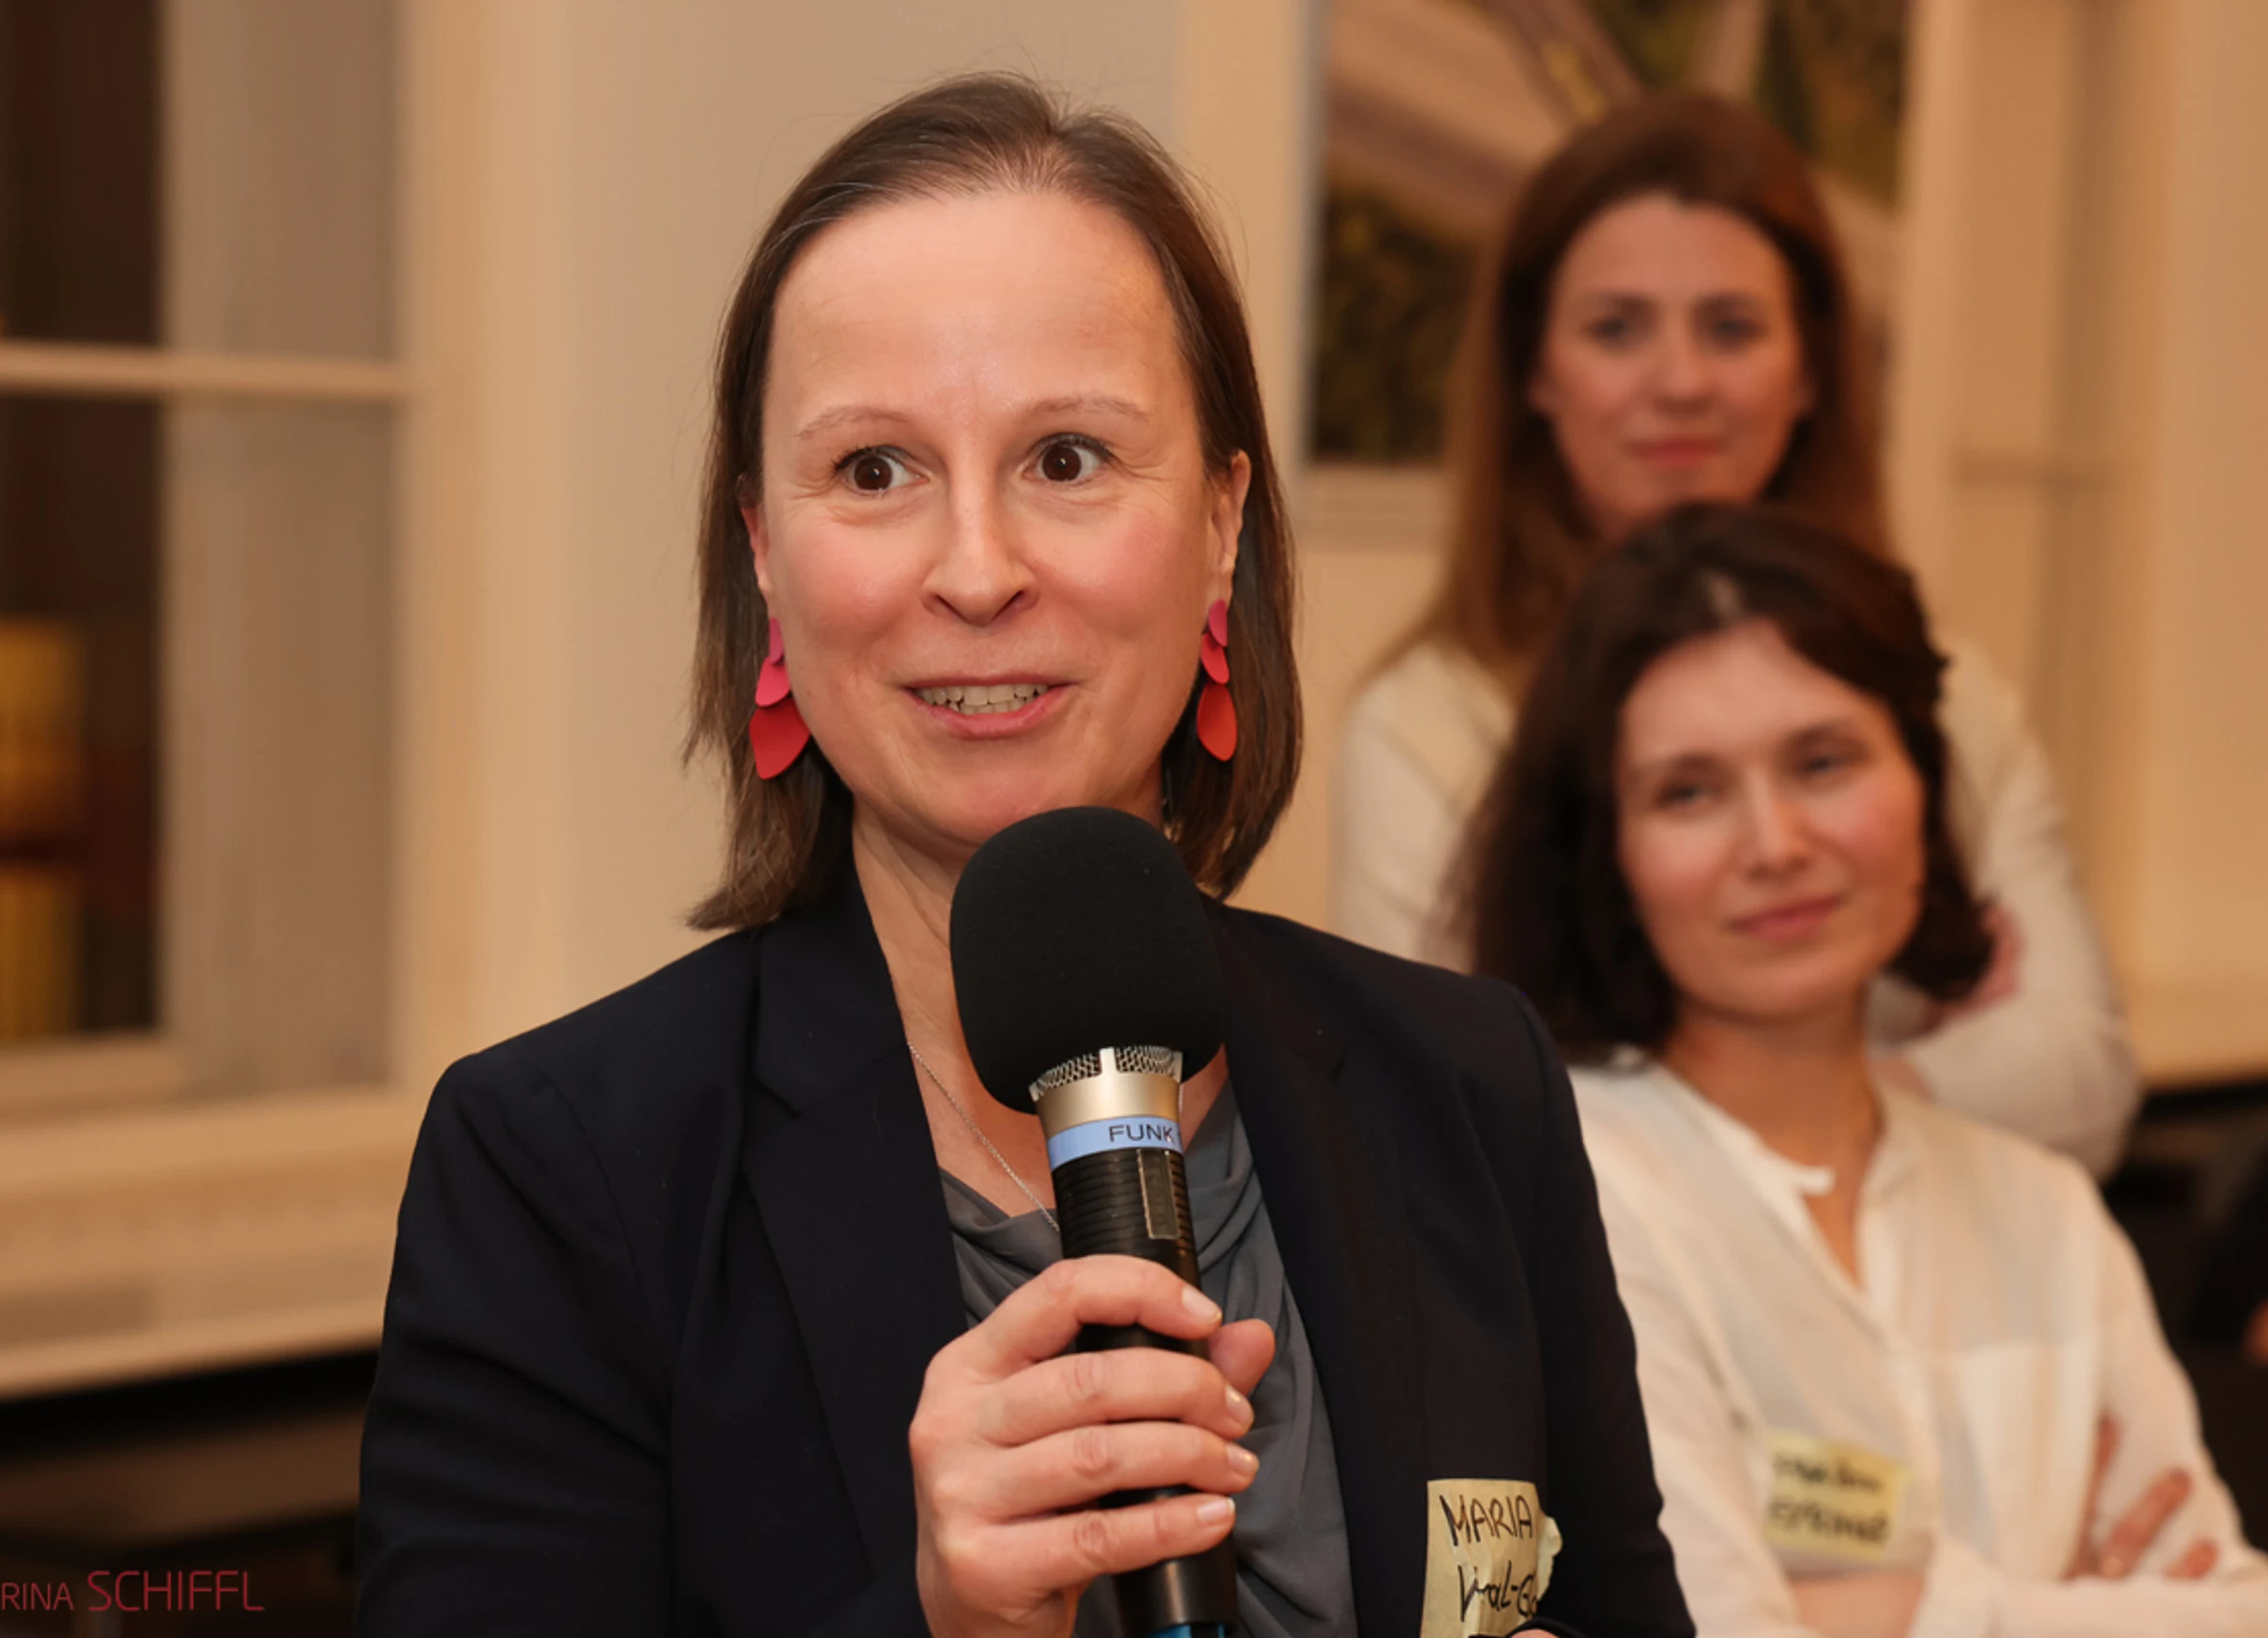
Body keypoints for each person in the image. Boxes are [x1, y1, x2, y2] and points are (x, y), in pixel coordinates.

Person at [356, 75, 1690, 1638]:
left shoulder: (1466, 1086)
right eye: (875, 469)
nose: (977, 571)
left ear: (1222, 526)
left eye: (1066, 457)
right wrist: (944, 1619)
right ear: (765, 554)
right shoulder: (563, 1166)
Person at [1466, 502, 2267, 1637]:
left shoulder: (2045, 1212)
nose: (1776, 844)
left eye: (1823, 762)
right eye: (1688, 791)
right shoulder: (1572, 1190)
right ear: (1605, 856)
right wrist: (2070, 1613)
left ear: (1923, 784)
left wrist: (1899, 1612)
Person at [1334, 92, 2138, 1173]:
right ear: (1535, 372)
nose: (1681, 383)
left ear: (1809, 370)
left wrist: (1780, 1100)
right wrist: (1919, 1079)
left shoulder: (1953, 698)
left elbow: (2082, 1083)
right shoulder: (1425, 727)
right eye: (1617, 329)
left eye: (1731, 328)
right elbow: (1445, 1141)